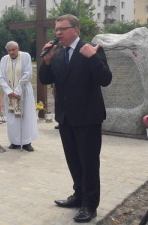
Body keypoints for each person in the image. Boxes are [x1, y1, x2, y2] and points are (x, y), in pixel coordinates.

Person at [39, 14, 112, 223]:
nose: (58, 33)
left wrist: (93, 58)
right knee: (73, 160)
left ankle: (90, 205)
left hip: (88, 118)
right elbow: (45, 79)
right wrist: (46, 60)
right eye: (56, 30)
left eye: (63, 29)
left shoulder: (92, 50)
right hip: (66, 117)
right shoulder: (59, 54)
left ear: (76, 30)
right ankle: (78, 196)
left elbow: (105, 79)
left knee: (89, 162)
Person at [0, 41, 38, 152]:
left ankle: (26, 142)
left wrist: (18, 91)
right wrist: (8, 91)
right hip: (10, 93)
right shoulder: (4, 59)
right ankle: (14, 141)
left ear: (18, 48)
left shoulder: (25, 56)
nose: (11, 52)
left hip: (23, 91)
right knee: (12, 117)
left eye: (13, 50)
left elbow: (28, 73)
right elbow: (1, 77)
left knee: (25, 116)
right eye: (9, 50)